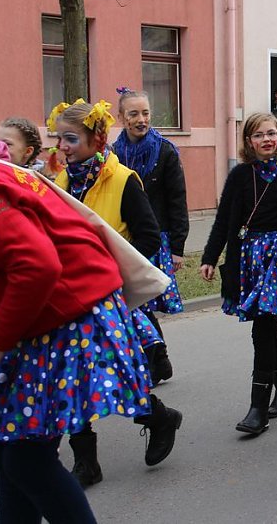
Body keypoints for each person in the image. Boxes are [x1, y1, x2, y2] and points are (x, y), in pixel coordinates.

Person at [0, 136, 153, 523]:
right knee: (9, 449)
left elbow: (37, 267)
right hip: (48, 315)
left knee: (25, 459)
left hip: (71, 315)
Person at [51, 99, 183, 487]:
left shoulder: (124, 180)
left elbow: (146, 236)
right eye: (59, 138)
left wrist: (110, 269)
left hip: (107, 295)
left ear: (97, 138)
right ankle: (86, 462)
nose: (63, 147)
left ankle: (159, 418)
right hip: (70, 294)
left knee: (116, 376)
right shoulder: (61, 181)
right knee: (70, 378)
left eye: (71, 138)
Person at [200, 112, 277, 436]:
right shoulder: (240, 176)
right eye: (259, 135)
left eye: (271, 133)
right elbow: (223, 219)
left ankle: (259, 407)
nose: (267, 139)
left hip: (276, 264)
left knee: (262, 330)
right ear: (248, 142)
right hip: (247, 262)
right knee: (266, 327)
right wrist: (210, 257)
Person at [112, 87, 189, 385]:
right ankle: (155, 360)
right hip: (125, 239)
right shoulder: (114, 154)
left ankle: (156, 360)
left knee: (140, 302)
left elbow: (177, 200)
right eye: (133, 114)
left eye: (145, 113)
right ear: (121, 117)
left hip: (157, 237)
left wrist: (178, 248)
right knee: (134, 302)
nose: (141, 119)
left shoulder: (165, 151)